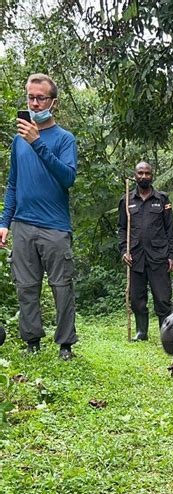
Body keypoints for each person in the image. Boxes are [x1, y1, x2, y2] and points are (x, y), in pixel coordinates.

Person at [0, 73, 78, 359]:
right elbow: (13, 184)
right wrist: (4, 223)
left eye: (40, 98)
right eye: (30, 97)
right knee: (26, 287)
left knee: (62, 288)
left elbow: (68, 178)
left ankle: (66, 344)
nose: (34, 103)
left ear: (53, 102)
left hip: (55, 227)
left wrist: (37, 143)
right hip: (22, 225)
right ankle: (32, 341)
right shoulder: (18, 141)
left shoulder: (65, 139)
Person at [118, 162, 173, 341]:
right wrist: (124, 251)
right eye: (140, 173)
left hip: (159, 256)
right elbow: (122, 229)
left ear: (152, 175)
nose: (144, 176)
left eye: (147, 173)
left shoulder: (162, 199)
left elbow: (170, 229)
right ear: (135, 175)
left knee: (162, 298)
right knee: (137, 298)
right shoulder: (126, 200)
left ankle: (165, 332)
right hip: (135, 257)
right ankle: (141, 332)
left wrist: (172, 255)